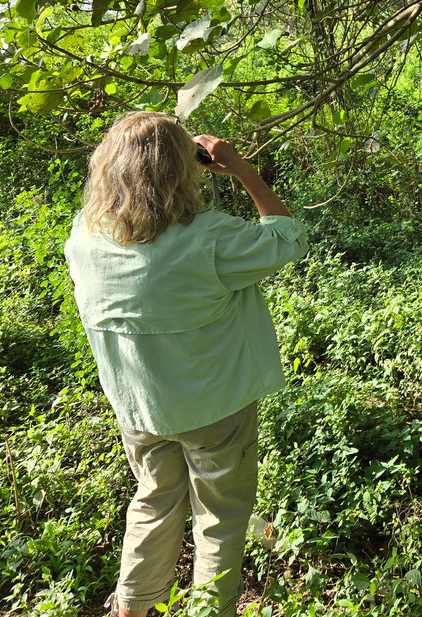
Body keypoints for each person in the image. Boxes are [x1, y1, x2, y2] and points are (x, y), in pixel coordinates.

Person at [64, 112, 308, 617]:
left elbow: (122, 194)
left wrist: (134, 141)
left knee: (153, 500)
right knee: (219, 517)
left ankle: (131, 606)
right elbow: (288, 239)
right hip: (214, 409)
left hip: (139, 408)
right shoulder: (211, 240)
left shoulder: (85, 238)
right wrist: (242, 171)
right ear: (185, 169)